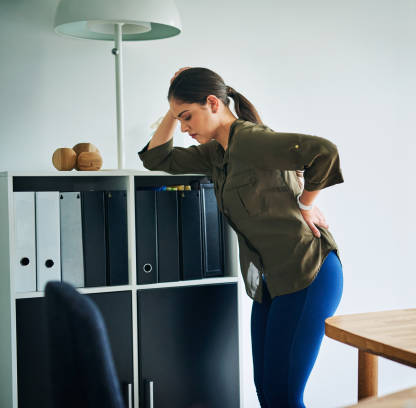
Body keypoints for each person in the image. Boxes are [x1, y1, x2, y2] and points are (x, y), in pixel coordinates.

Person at [138, 67, 344, 407]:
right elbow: (155, 158)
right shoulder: (216, 152)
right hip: (269, 283)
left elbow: (324, 151)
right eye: (180, 119)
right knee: (267, 391)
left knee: (284, 395)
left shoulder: (252, 140)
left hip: (308, 273)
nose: (185, 128)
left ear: (213, 102)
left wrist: (305, 204)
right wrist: (173, 106)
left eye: (187, 117)